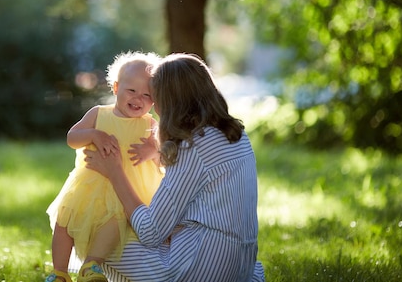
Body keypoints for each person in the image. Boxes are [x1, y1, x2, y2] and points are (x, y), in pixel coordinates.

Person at [84, 53, 266, 282]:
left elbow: (150, 232)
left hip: (203, 268)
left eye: (155, 98)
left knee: (97, 235)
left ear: (171, 101)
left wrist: (114, 171)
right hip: (241, 265)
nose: (156, 110)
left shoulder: (193, 146)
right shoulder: (235, 135)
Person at [45, 51, 165, 282]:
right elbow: (72, 138)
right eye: (131, 90)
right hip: (90, 187)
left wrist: (152, 150)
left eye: (147, 95)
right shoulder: (99, 114)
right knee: (65, 221)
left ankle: (92, 265)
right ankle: (59, 271)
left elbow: (164, 159)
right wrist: (93, 134)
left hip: (128, 192)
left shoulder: (151, 125)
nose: (138, 99)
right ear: (116, 87)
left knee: (115, 223)